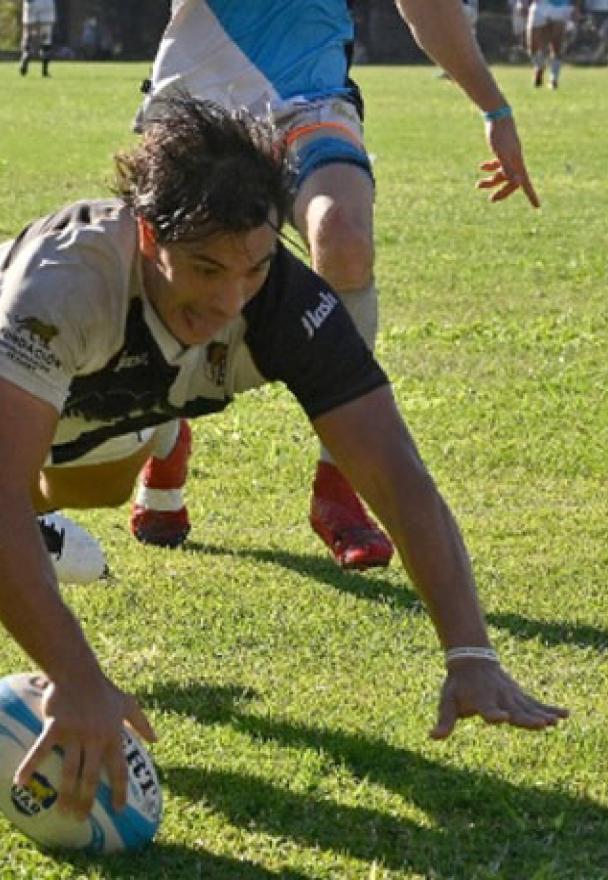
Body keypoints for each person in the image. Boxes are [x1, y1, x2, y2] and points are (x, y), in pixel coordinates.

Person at [0, 98, 567, 818]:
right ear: (147, 236)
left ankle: (13, 529)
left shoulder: (281, 299)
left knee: (100, 488)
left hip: (118, 399)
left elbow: (395, 476)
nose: (229, 299)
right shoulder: (68, 284)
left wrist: (469, 652)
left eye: (253, 267)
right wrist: (77, 678)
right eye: (204, 267)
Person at [129, 0, 540, 571]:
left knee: (343, 237)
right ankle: (166, 441)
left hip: (308, 99)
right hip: (194, 97)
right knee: (178, 278)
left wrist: (494, 110)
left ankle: (338, 487)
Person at [526, 0, 582, 88]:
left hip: (560, 6)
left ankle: (553, 79)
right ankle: (539, 66)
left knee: (556, 45)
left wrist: (576, 7)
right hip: (539, 5)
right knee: (532, 45)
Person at [20, 0, 56, 77]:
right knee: (46, 37)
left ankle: (26, 54)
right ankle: (44, 70)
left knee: (28, 31)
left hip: (31, 3)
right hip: (47, 4)